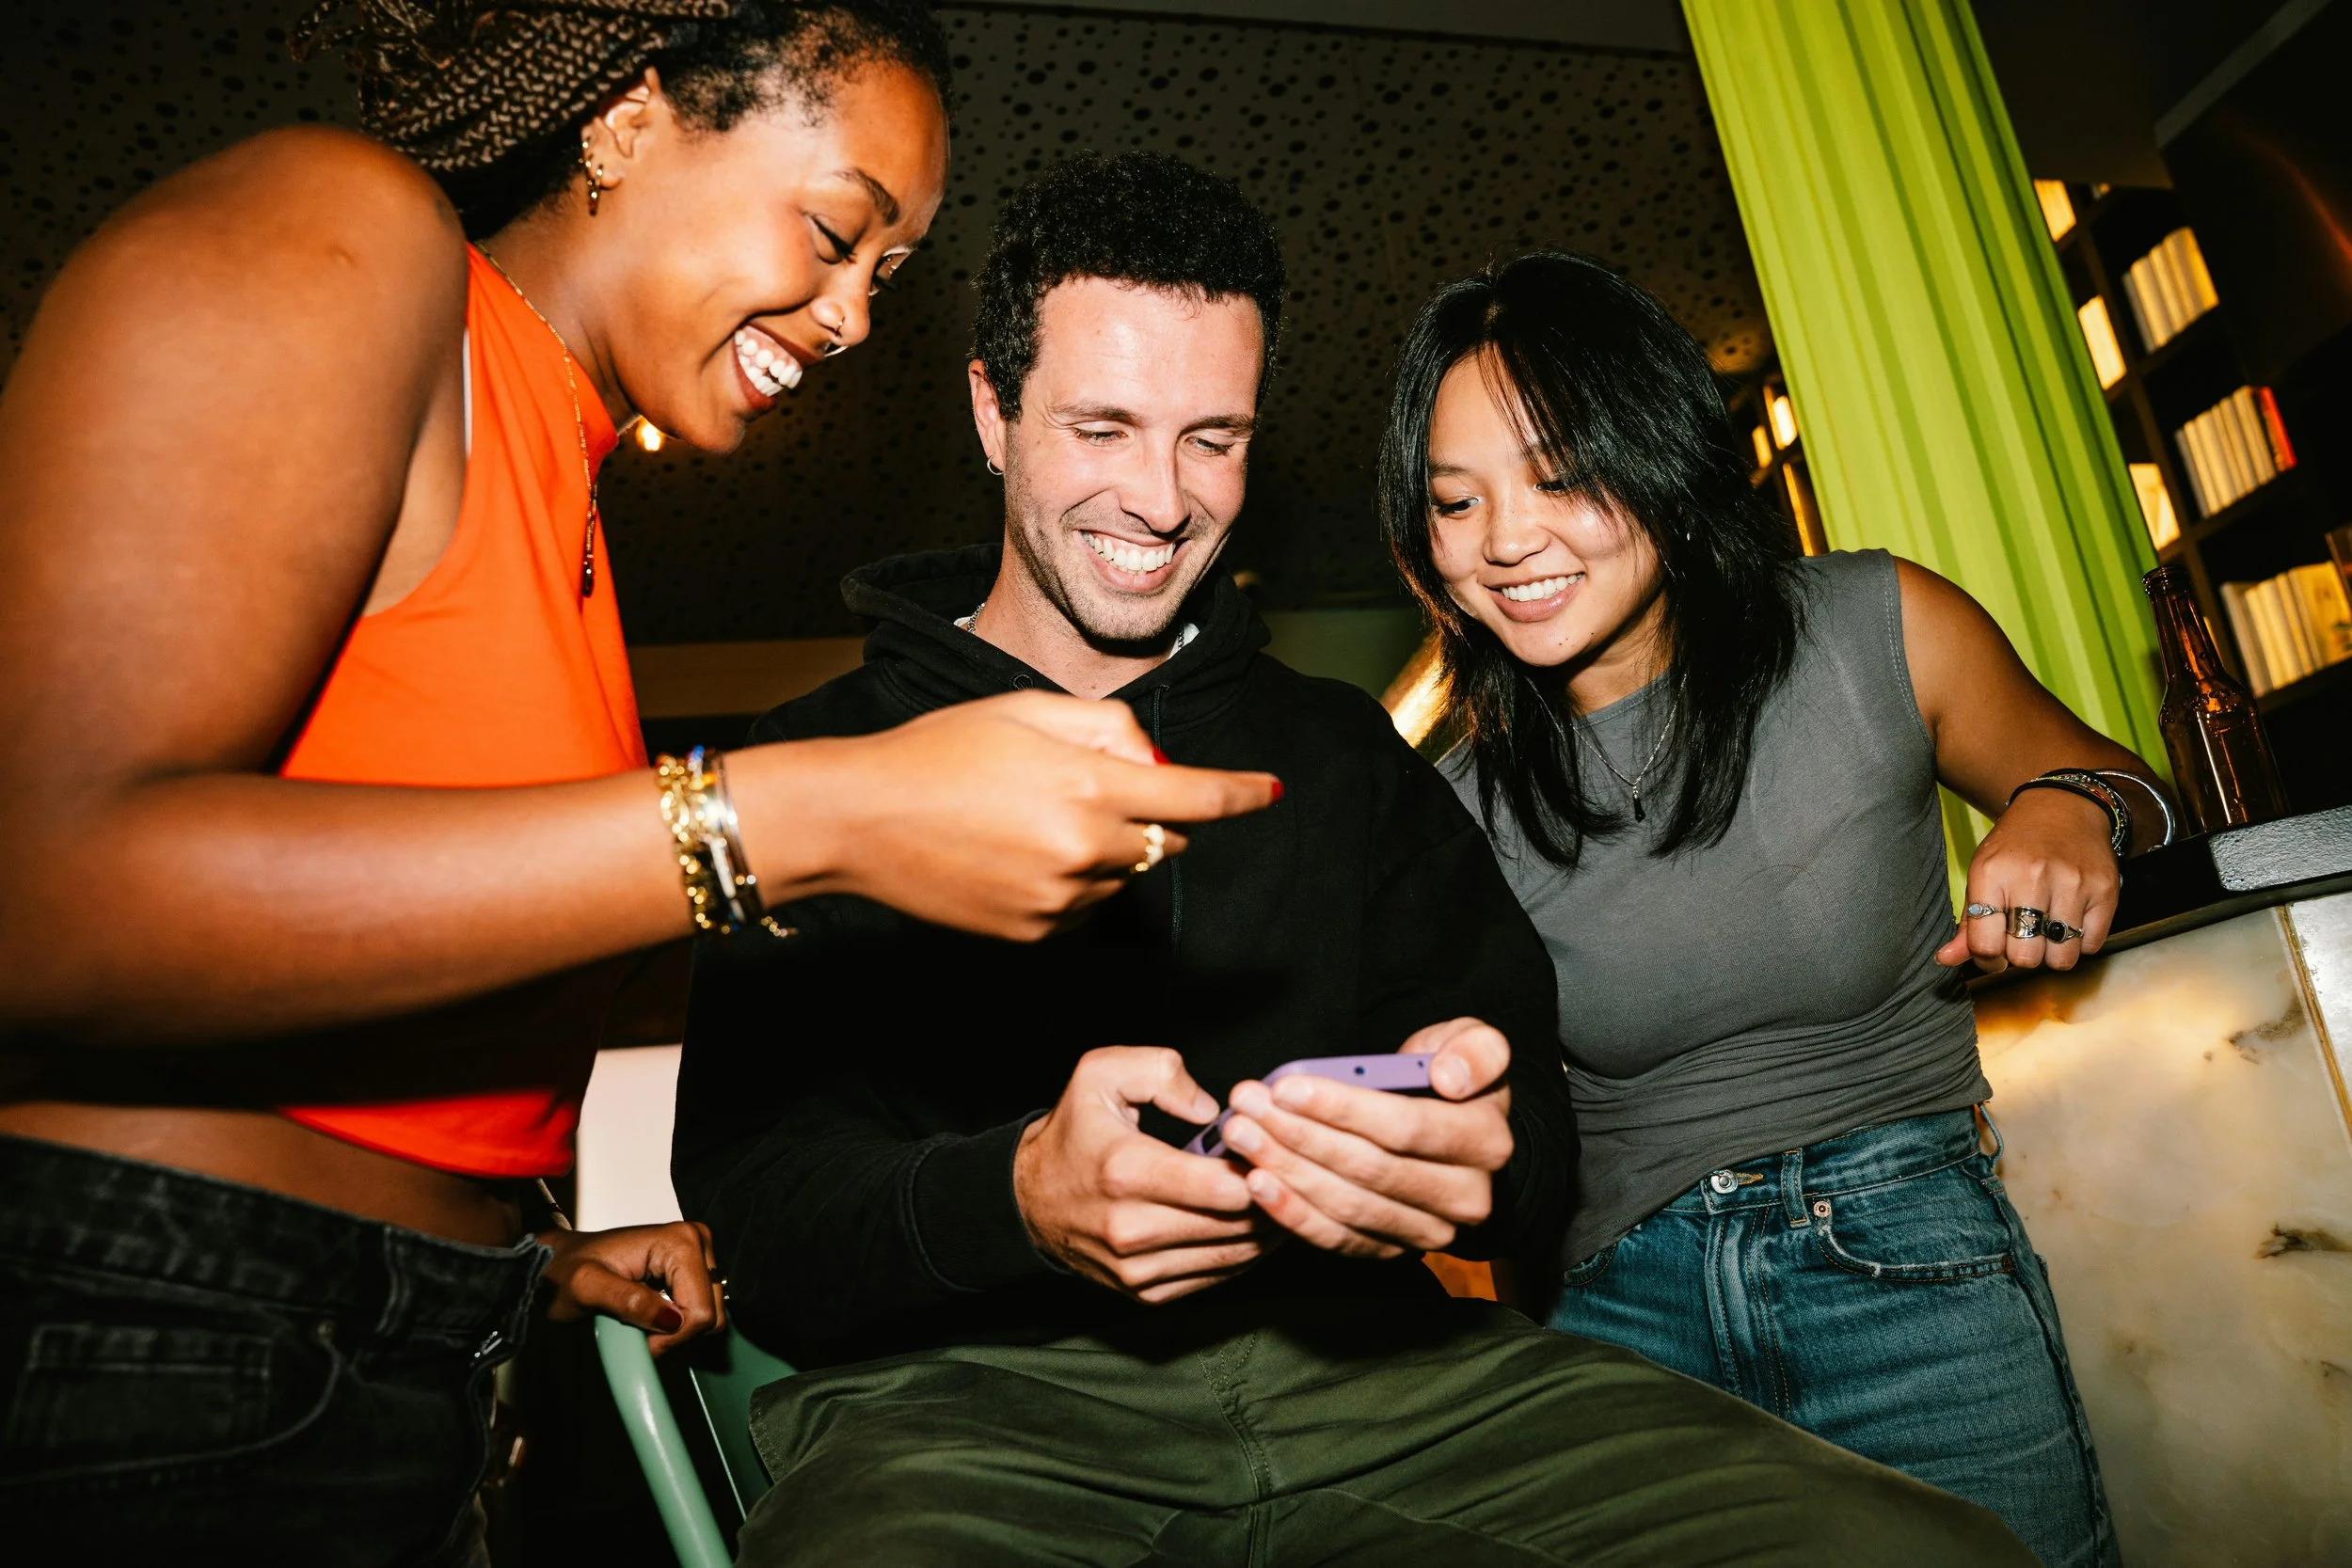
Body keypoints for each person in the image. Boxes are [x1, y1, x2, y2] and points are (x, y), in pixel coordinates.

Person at [0, 5, 1278, 1559]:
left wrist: (529, 1252)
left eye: (885, 273)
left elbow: (373, 951)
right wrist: (797, 816)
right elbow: (45, 892)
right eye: (834, 231)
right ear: (626, 118)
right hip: (168, 1326)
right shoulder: (345, 226)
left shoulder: (569, 478)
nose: (854, 316)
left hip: (396, 1344)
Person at [674, 151, 2034, 1568]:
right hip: (966, 1417)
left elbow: (1525, 1120)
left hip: (1392, 1383)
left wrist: (1471, 1155)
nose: (1161, 497)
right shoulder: (814, 766)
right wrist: (1010, 1193)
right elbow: (755, 1206)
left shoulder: (1344, 756)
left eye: (1214, 437)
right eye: (1103, 427)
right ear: (992, 411)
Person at [1380, 250, 2169, 1568]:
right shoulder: (1450, 807)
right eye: (1457, 501)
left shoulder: (1874, 625)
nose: (1507, 540)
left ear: (1664, 458)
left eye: (1562, 474)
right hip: (1623, 1319)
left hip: (1904, 1259)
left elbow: (2133, 785)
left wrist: (2066, 805)